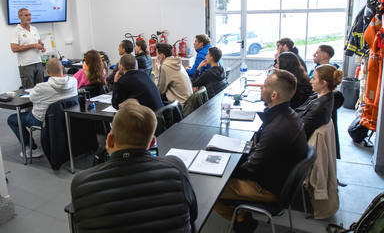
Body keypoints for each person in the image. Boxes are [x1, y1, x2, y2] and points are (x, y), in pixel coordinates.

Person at [71, 99, 198, 233]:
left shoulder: (80, 183)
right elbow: (192, 216)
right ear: (152, 143)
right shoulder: (177, 168)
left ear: (109, 140)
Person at [214, 69, 308, 233]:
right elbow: (262, 152)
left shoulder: (276, 130)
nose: (260, 88)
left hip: (268, 189)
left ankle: (240, 219)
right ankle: (241, 214)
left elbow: (250, 169)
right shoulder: (288, 115)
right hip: (275, 178)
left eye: (264, 86)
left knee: (211, 189)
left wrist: (225, 169)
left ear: (274, 95)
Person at [7, 58, 77, 158]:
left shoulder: (41, 87)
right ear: (62, 67)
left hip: (43, 119)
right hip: (66, 116)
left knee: (12, 119)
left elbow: (32, 99)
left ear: (47, 71)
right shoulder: (73, 81)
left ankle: (32, 149)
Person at [295, 64, 343, 140]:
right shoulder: (319, 96)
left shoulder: (320, 107)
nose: (311, 81)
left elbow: (298, 130)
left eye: (314, 79)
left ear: (323, 83)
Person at [10, 8, 47, 89]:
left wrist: (42, 46)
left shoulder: (34, 29)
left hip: (38, 63)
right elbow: (14, 48)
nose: (29, 17)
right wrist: (32, 46)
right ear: (19, 17)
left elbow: (39, 41)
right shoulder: (16, 31)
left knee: (40, 89)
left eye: (30, 15)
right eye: (26, 15)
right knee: (29, 90)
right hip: (26, 65)